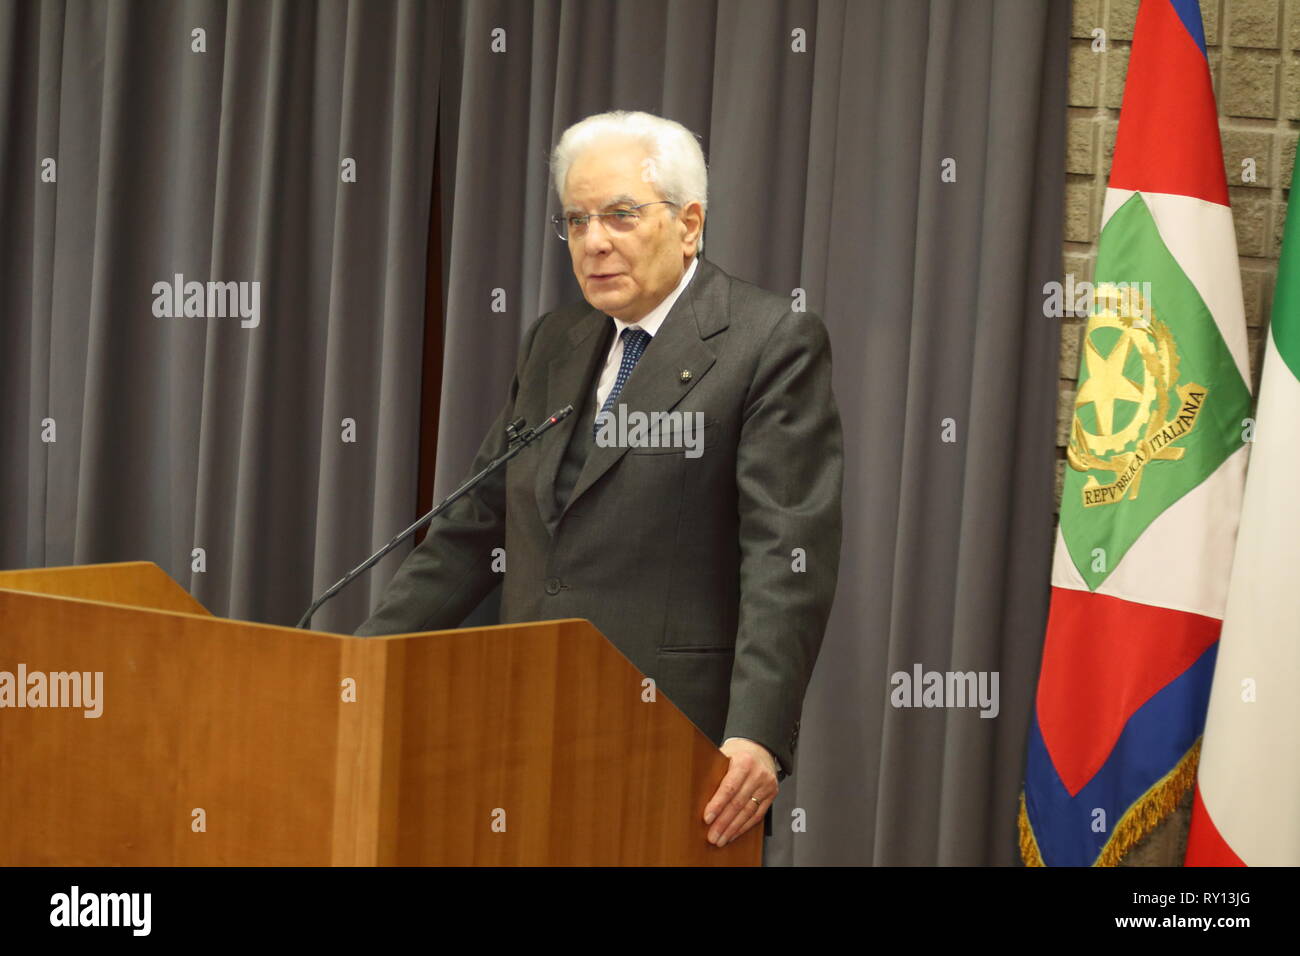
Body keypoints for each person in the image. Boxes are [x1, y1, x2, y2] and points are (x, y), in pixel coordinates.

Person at [357, 110, 843, 850]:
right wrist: (359, 661)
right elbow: (475, 527)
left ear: (689, 223)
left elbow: (786, 557)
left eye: (619, 215)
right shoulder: (557, 340)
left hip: (676, 747)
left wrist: (758, 736)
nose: (593, 242)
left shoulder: (767, 341)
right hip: (522, 734)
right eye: (577, 220)